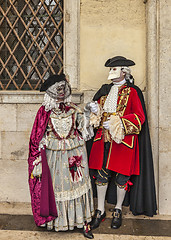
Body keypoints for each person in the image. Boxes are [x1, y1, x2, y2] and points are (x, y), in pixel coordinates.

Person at [85, 56, 157, 230]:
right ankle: (100, 210)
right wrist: (94, 110)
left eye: (114, 69)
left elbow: (140, 118)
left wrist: (120, 123)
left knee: (122, 178)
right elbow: (95, 115)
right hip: (102, 140)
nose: (111, 72)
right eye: (110, 70)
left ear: (124, 71)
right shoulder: (104, 90)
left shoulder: (133, 92)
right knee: (101, 176)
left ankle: (117, 209)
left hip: (123, 142)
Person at [28, 73, 94, 238]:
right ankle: (57, 221)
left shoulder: (73, 109)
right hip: (54, 157)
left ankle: (82, 221)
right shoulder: (44, 112)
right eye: (57, 89)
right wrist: (38, 158)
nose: (61, 92)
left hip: (74, 154)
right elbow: (37, 136)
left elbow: (84, 129)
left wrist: (88, 114)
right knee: (58, 188)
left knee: (76, 185)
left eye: (63, 88)